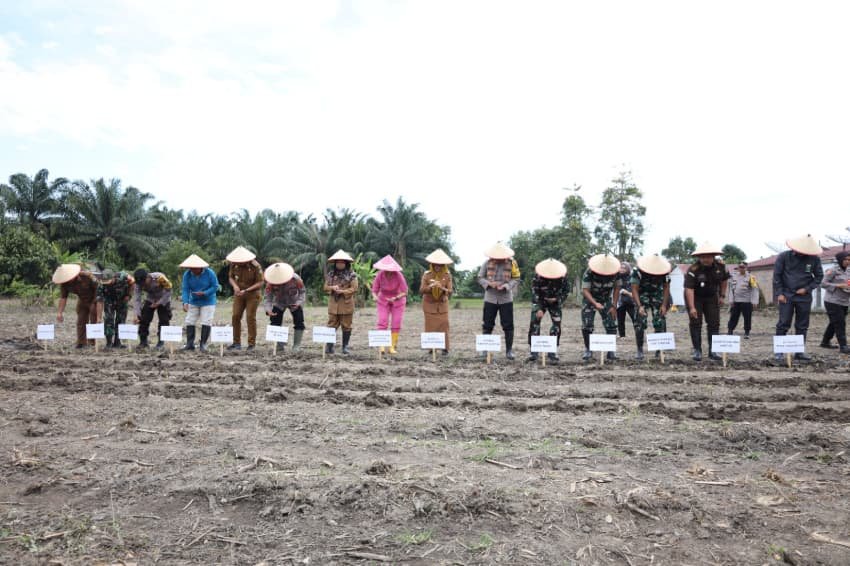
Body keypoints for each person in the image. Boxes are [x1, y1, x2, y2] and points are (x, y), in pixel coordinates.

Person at [773, 235, 824, 362]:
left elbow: (819, 277)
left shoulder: (814, 259)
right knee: (783, 323)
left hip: (804, 297)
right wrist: (779, 293)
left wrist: (807, 289)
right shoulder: (784, 257)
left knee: (802, 325)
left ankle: (799, 352)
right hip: (786, 295)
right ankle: (779, 352)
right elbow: (777, 276)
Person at [684, 242, 729, 361]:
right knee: (695, 322)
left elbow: (724, 281)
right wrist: (692, 307)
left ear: (713, 256)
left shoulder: (721, 267)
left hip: (711, 297)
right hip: (695, 297)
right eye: (702, 257)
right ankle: (697, 350)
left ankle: (713, 351)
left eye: (708, 256)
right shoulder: (693, 269)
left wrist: (722, 296)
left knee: (714, 323)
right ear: (699, 257)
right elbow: (689, 289)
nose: (705, 259)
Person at [477, 242, 521, 360]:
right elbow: (480, 277)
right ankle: (485, 350)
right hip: (490, 297)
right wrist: (489, 284)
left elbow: (516, 278)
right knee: (487, 324)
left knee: (508, 325)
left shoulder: (512, 263)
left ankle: (509, 351)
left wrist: (506, 286)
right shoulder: (486, 263)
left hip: (506, 298)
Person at [527, 258, 570, 363]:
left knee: (556, 325)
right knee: (534, 323)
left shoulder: (562, 276)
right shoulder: (538, 276)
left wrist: (557, 299)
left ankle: (552, 352)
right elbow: (534, 292)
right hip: (540, 301)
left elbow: (566, 291)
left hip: (555, 302)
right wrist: (538, 308)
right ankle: (534, 352)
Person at [580, 253, 621, 361]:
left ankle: (611, 351)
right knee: (587, 325)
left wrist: (614, 306)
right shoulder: (589, 271)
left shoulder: (616, 272)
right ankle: (588, 350)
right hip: (590, 299)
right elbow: (585, 290)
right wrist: (595, 303)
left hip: (606, 300)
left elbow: (617, 288)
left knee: (611, 324)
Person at [631, 255, 672, 360]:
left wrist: (664, 305)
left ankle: (659, 350)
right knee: (640, 321)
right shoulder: (637, 271)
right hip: (641, 294)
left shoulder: (664, 271)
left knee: (659, 320)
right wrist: (639, 306)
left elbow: (666, 288)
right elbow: (634, 289)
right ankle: (639, 350)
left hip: (657, 294)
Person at [226, 246, 264, 352]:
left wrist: (247, 290)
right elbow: (231, 277)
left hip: (252, 294)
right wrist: (235, 286)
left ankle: (251, 344)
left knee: (250, 317)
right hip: (239, 294)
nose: (239, 263)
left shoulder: (255, 266)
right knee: (235, 316)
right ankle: (236, 343)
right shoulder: (234, 264)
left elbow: (260, 282)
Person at [263, 262, 306, 352]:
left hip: (294, 301)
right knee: (274, 321)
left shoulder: (296, 279)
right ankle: (279, 345)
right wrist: (268, 310)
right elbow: (268, 297)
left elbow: (302, 292)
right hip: (279, 302)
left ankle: (296, 346)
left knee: (299, 321)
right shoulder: (270, 281)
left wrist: (299, 303)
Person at [53, 264, 99, 348]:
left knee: (94, 320)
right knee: (81, 321)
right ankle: (81, 343)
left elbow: (98, 288)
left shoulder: (87, 276)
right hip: (82, 300)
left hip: (94, 299)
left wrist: (95, 302)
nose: (68, 280)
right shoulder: (64, 284)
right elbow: (63, 298)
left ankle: (92, 343)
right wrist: (59, 313)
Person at [180, 254, 218, 352]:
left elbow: (215, 286)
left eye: (195, 268)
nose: (193, 270)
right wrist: (185, 302)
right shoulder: (187, 275)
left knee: (206, 321)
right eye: (191, 268)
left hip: (208, 301)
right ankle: (190, 344)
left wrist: (205, 293)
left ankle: (203, 344)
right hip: (194, 301)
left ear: (201, 267)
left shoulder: (210, 273)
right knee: (189, 321)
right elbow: (185, 289)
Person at [371, 255, 408, 355]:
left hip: (398, 300)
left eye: (389, 268)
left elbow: (405, 291)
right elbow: (374, 290)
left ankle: (392, 346)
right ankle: (382, 345)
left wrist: (395, 298)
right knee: (382, 321)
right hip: (383, 300)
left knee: (396, 322)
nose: (387, 270)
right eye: (385, 268)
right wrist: (374, 296)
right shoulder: (380, 274)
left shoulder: (398, 275)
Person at [324, 250, 358, 354]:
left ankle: (345, 347)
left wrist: (342, 291)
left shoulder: (352, 275)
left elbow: (354, 288)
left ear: (346, 263)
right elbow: (325, 287)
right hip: (333, 304)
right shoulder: (331, 274)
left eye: (342, 262)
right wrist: (332, 287)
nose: (339, 264)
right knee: (331, 324)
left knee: (346, 325)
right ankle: (329, 347)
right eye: (338, 262)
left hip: (346, 304)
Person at [420, 249, 454, 355]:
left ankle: (445, 348)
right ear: (432, 265)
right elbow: (421, 290)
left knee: (444, 325)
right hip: (429, 305)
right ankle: (432, 348)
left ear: (444, 265)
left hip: (442, 305)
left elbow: (450, 291)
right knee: (430, 326)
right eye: (435, 265)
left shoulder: (447, 275)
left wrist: (442, 288)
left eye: (440, 265)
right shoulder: (427, 275)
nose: (437, 267)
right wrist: (430, 286)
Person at [133, 268, 173, 349]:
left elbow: (169, 291)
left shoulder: (160, 277)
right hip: (150, 299)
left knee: (164, 320)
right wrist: (137, 314)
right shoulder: (138, 284)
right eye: (140, 284)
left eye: (144, 282)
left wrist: (159, 303)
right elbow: (137, 299)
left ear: (148, 276)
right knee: (144, 319)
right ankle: (143, 342)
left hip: (164, 298)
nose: (142, 285)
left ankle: (160, 343)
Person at [820, 251, 850, 354]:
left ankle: (825, 342)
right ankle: (843, 346)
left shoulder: (849, 270)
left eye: (849, 260)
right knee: (840, 322)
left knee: (834, 322)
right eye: (845, 259)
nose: (847, 262)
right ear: (840, 260)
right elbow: (823, 284)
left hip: (844, 301)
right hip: (832, 301)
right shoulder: (833, 270)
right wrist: (838, 286)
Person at [96, 269, 135, 348]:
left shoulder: (124, 277)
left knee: (121, 320)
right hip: (109, 301)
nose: (107, 284)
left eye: (109, 281)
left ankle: (118, 342)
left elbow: (133, 283)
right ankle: (109, 343)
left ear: (114, 277)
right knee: (108, 320)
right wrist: (98, 317)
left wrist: (129, 295)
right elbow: (99, 301)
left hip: (122, 301)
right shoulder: (101, 284)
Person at [727, 262, 758, 339]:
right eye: (740, 267)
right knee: (733, 316)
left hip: (747, 301)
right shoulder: (734, 277)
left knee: (747, 317)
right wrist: (731, 300)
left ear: (746, 268)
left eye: (743, 267)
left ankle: (747, 332)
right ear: (738, 268)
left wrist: (755, 301)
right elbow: (731, 289)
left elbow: (755, 290)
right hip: (736, 301)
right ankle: (730, 330)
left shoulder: (751, 277)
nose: (741, 268)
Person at [616, 261, 635, 338]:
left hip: (631, 302)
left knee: (635, 319)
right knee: (620, 320)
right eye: (621, 267)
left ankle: (638, 334)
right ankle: (622, 335)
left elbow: (634, 292)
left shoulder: (632, 277)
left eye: (624, 268)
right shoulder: (617, 277)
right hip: (620, 302)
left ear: (628, 269)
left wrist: (626, 292)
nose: (622, 269)